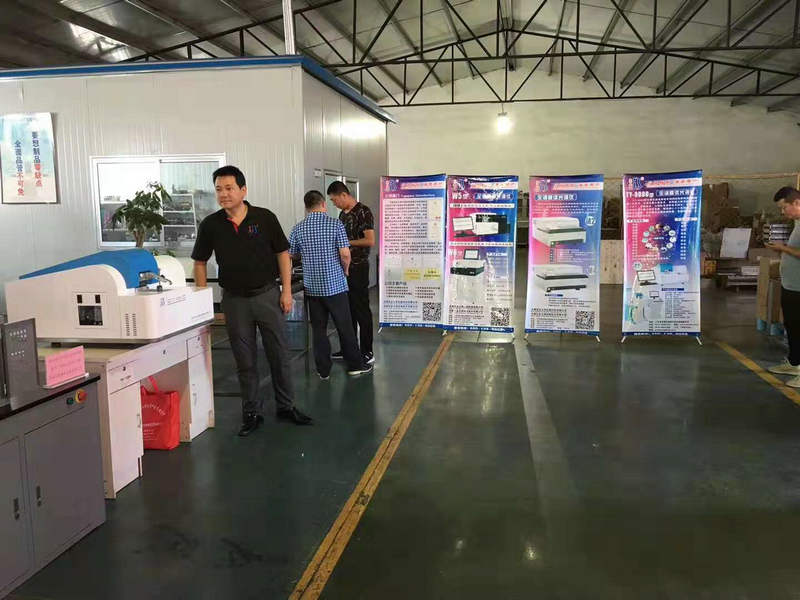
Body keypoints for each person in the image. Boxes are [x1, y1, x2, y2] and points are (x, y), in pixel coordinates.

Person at [192, 165, 312, 436]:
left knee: (278, 353)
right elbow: (199, 262)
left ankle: (286, 406)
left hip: (267, 295)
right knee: (244, 359)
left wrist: (285, 291)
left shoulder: (264, 218)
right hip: (235, 301)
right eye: (219, 189)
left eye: (229, 188)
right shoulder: (211, 225)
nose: (223, 194)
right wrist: (202, 300)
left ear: (243, 190)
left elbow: (283, 254)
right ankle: (252, 412)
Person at [288, 191, 373, 379]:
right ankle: (355, 365)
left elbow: (291, 254)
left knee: (318, 330)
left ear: (306, 207)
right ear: (323, 204)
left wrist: (307, 254)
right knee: (345, 327)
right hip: (335, 287)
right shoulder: (335, 224)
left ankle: (323, 370)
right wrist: (346, 270)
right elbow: (345, 253)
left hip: (312, 288)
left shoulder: (298, 228)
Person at [327, 181, 375, 365]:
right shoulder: (342, 215)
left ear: (344, 195)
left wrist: (346, 242)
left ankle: (367, 351)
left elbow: (369, 240)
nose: (334, 204)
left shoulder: (363, 211)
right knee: (347, 312)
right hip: (343, 269)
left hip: (358, 268)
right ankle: (349, 348)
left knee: (361, 310)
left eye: (335, 200)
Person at [767, 186, 800, 388]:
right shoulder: (797, 222)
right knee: (792, 326)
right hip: (791, 285)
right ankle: (794, 363)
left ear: (796, 202)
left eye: (784, 207)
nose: (782, 212)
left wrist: (782, 248)